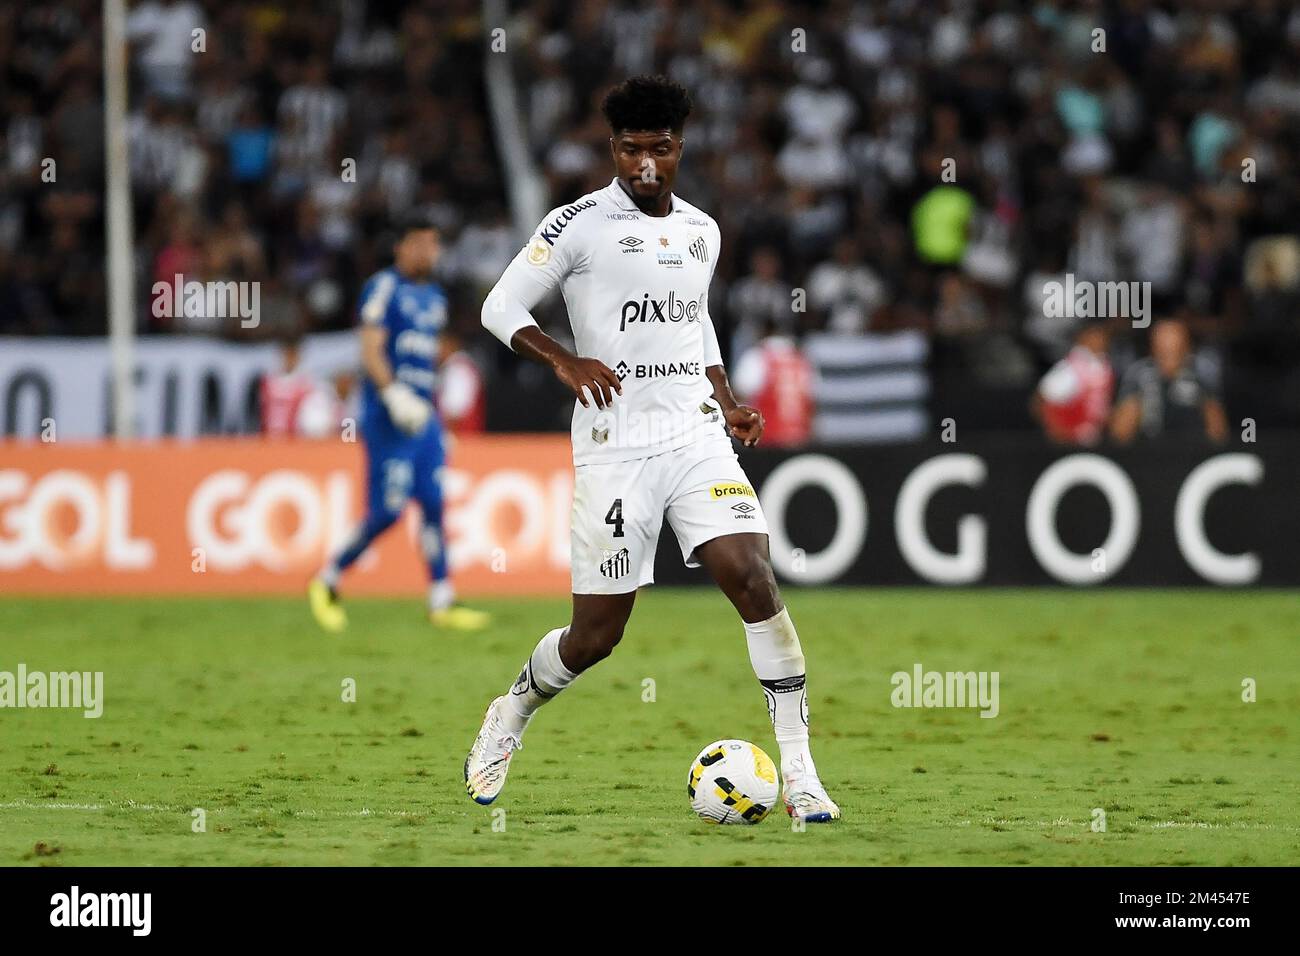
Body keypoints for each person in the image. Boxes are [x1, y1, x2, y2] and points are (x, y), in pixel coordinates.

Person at [468, 75, 839, 822]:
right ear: (613, 150)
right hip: (613, 449)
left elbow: (694, 321)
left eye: (660, 150)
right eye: (632, 150)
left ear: (680, 149)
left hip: (694, 436)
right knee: (596, 636)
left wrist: (728, 398)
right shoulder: (575, 224)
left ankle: (800, 772)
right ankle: (512, 709)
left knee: (752, 575)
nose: (646, 165)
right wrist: (563, 360)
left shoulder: (702, 231)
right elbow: (498, 305)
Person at [308, 216, 490, 632]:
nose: (427, 252)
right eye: (419, 244)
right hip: (388, 415)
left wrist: (436, 420)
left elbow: (427, 362)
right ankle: (327, 580)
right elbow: (370, 350)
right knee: (388, 511)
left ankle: (441, 599)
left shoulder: (436, 298)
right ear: (401, 248)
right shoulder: (384, 286)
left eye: (433, 244)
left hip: (423, 418)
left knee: (432, 504)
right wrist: (392, 393)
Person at [1110, 319, 1229, 443]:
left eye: (1175, 352)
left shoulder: (1200, 374)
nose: (1168, 360)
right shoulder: (1139, 375)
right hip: (1147, 453)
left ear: (1187, 349)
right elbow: (1120, 434)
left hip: (1193, 451)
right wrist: (1138, 403)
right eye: (1162, 352)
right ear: (1152, 350)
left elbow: (1218, 432)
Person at [731, 318, 816, 448]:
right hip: (799, 439)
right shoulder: (801, 358)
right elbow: (812, 401)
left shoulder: (757, 357)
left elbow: (739, 395)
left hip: (767, 440)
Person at [1032, 320, 1114, 446]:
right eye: (1095, 335)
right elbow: (1040, 401)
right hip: (1072, 442)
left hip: (1094, 437)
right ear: (1083, 337)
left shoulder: (1102, 365)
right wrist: (1060, 434)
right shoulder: (1071, 368)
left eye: (1102, 335)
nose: (1100, 340)